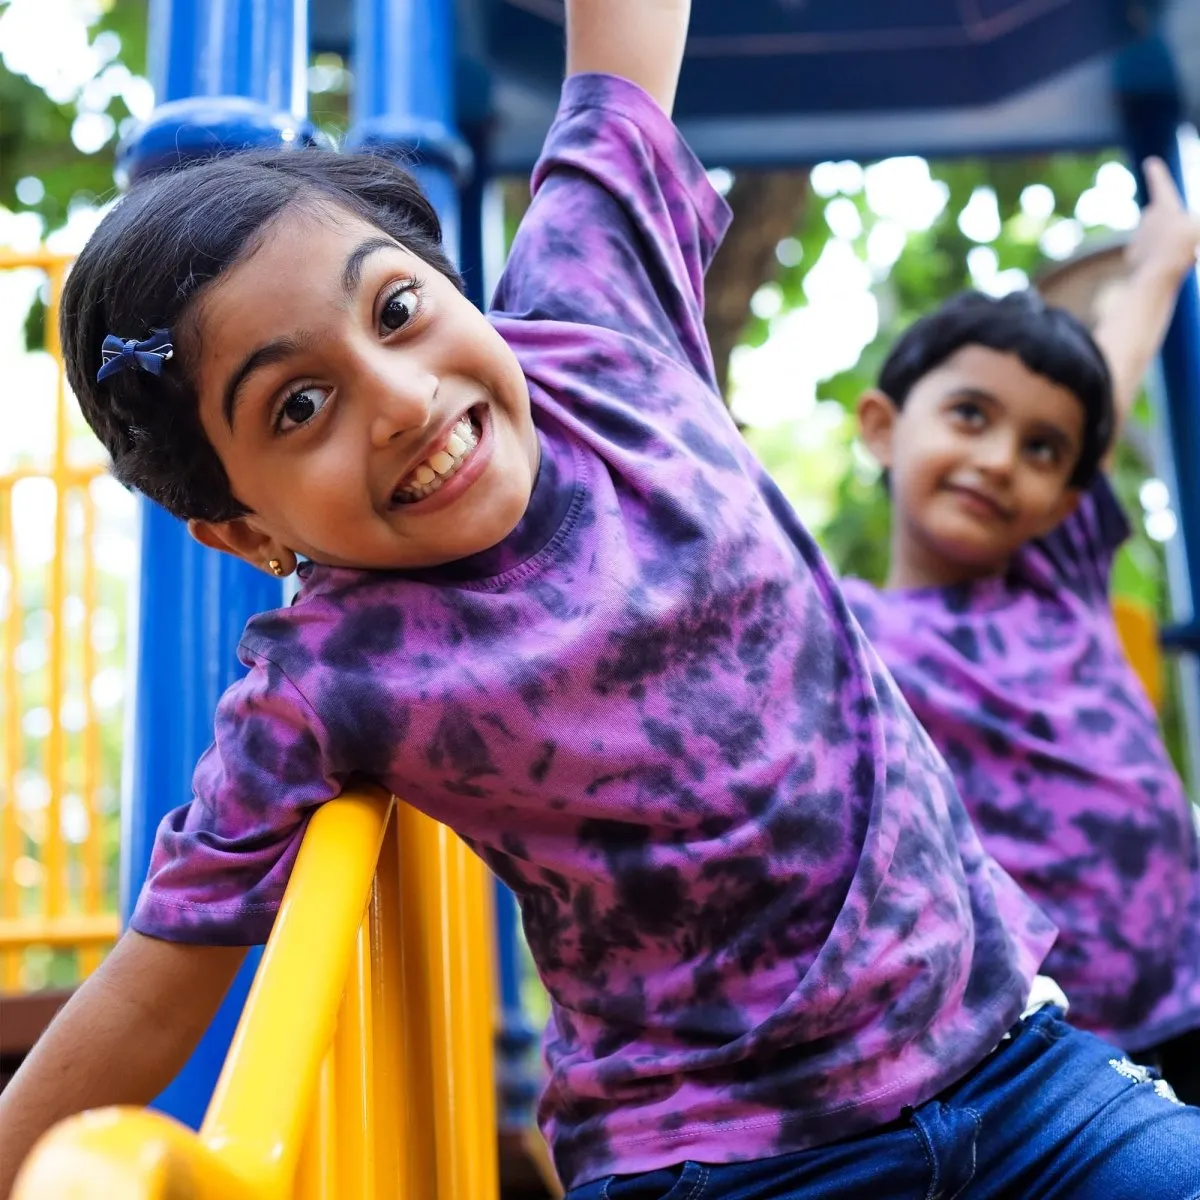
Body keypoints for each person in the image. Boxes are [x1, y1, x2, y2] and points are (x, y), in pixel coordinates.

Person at [2, 5, 1198, 1196]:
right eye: (298, 407)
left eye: (397, 310)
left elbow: (622, 40)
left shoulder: (591, 311)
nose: (404, 397)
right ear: (246, 529)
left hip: (1013, 1065)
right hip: (724, 1155)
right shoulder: (328, 674)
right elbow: (159, 983)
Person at [844, 161, 1200, 1107]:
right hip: (1050, 1042)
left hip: (1192, 983)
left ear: (1067, 497)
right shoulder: (852, 633)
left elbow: (1109, 381)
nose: (1000, 460)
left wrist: (1159, 269)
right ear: (883, 428)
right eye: (970, 416)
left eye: (1040, 449)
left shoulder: (1058, 564)